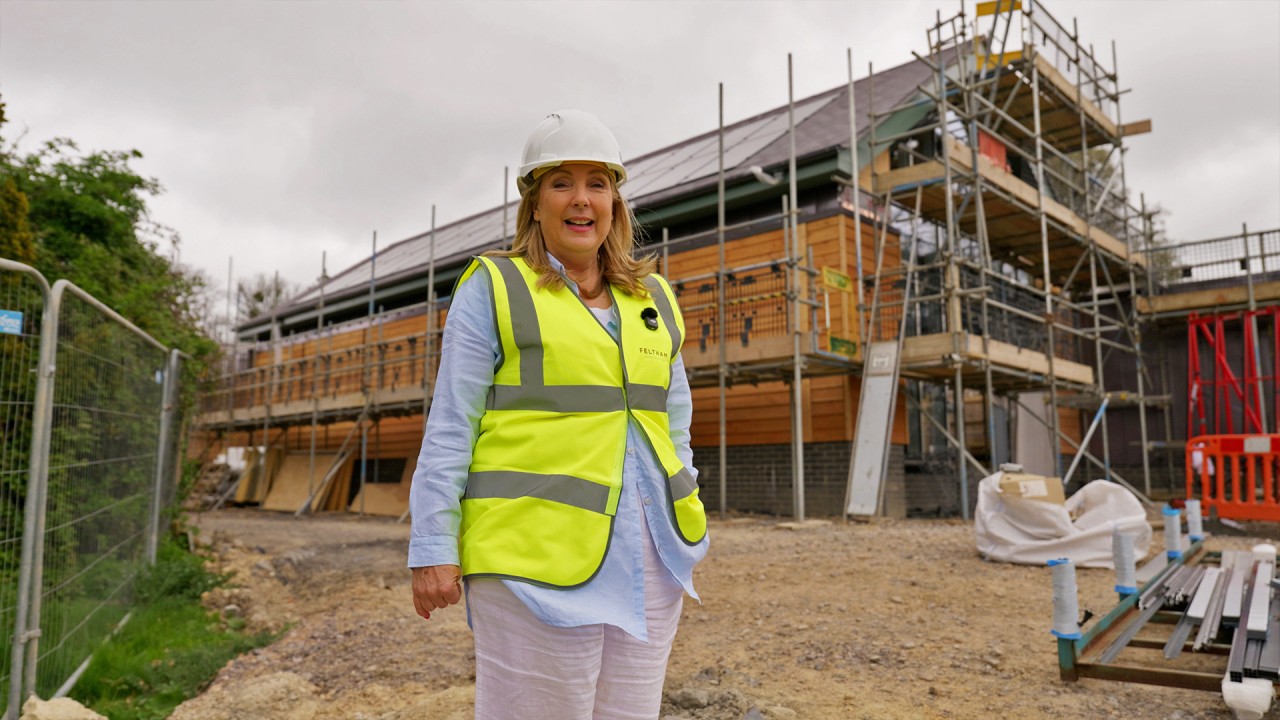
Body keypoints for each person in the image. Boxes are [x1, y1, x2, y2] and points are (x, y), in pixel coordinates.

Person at [408, 109, 709, 720]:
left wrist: (687, 508)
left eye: (598, 183)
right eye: (561, 183)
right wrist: (433, 543)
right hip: (531, 559)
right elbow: (450, 425)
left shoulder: (654, 298)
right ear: (535, 202)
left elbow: (674, 424)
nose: (582, 200)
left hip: (652, 556)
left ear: (616, 203)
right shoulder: (495, 286)